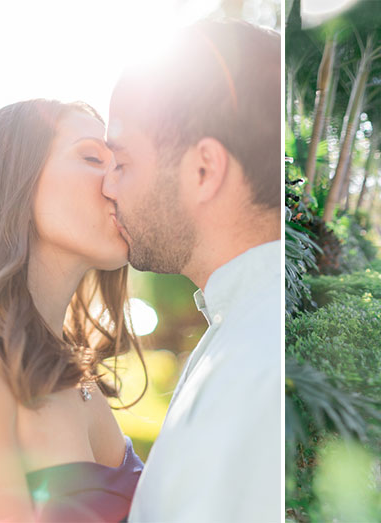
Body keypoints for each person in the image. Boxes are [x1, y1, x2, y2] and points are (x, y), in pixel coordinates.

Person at [103, 18, 281, 522]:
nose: (108, 188)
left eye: (123, 162)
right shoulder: (235, 328)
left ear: (204, 170)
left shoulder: (255, 369)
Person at [0, 99, 145, 522]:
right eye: (91, 156)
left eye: (121, 163)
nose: (119, 181)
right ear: (13, 181)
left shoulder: (75, 369)